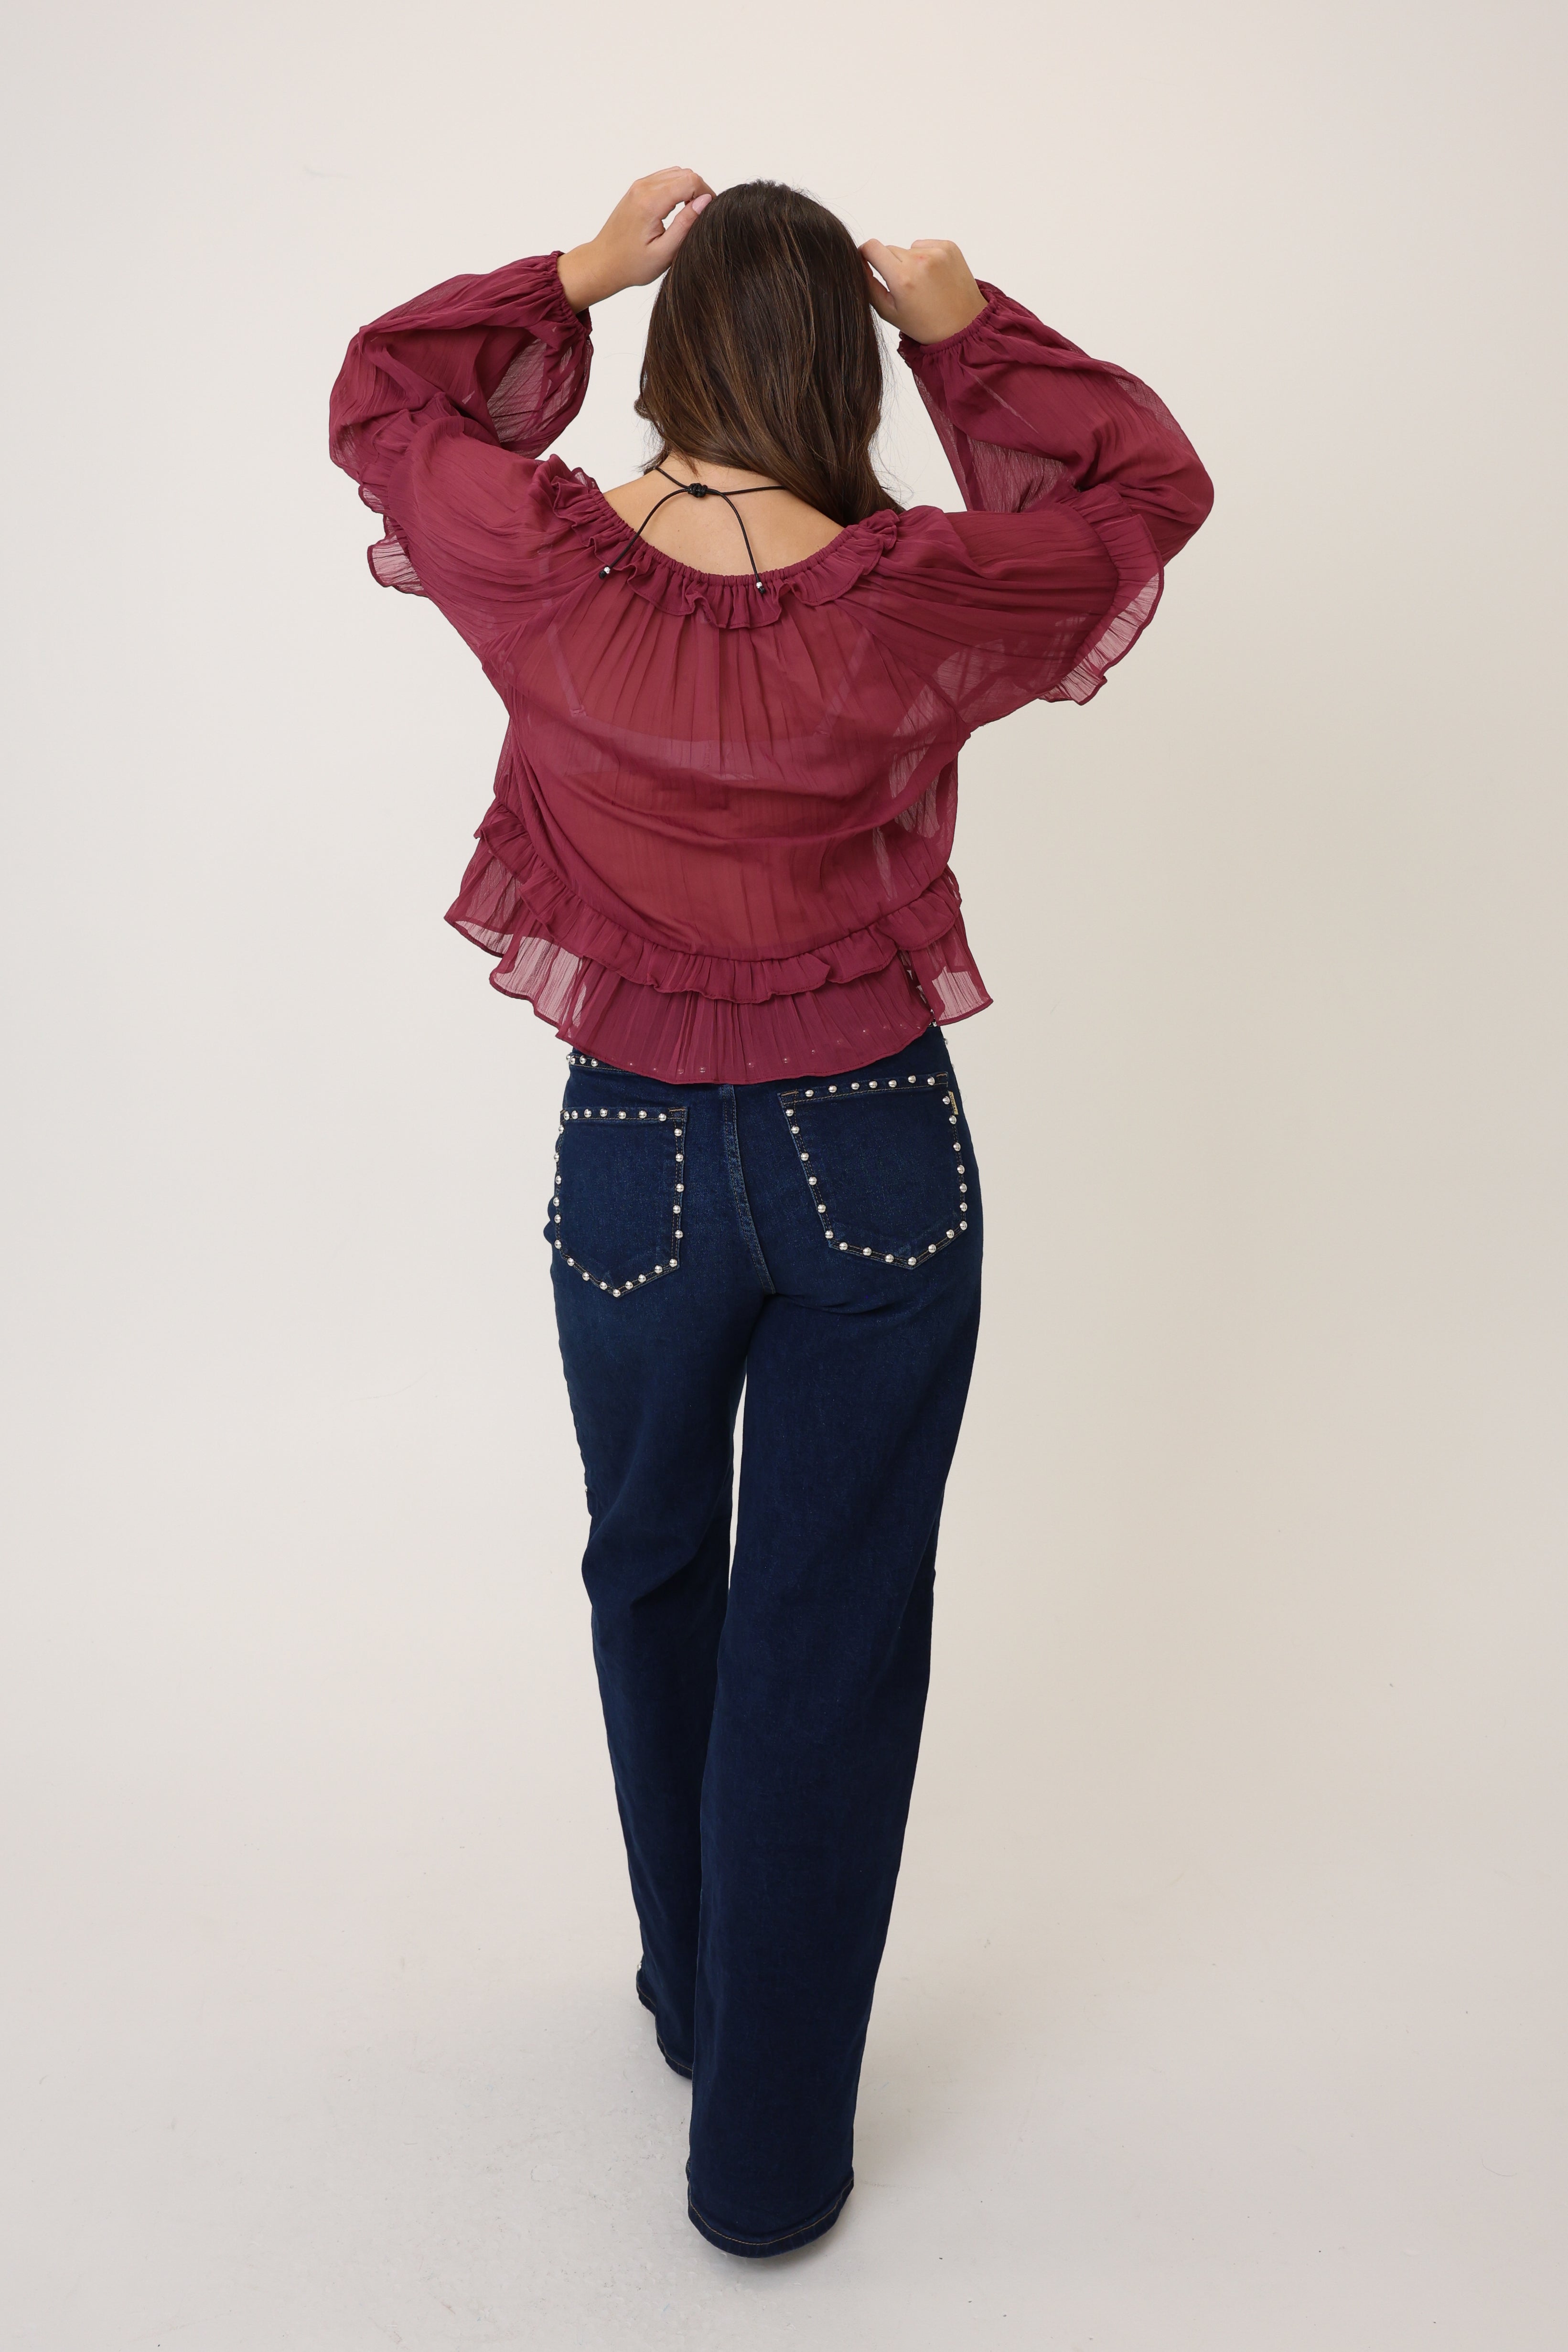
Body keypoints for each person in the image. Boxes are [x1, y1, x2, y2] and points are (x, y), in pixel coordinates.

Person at [329, 167, 1212, 2258]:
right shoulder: (910, 593)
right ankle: (765, 2160)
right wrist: (960, 317)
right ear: (834, 364)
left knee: (651, 1563)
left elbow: (383, 398)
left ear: (666, 355)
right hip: (873, 1146)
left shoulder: (541, 567)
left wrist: (568, 270)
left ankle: (693, 1995)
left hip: (634, 1149)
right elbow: (1146, 485)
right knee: (826, 1634)